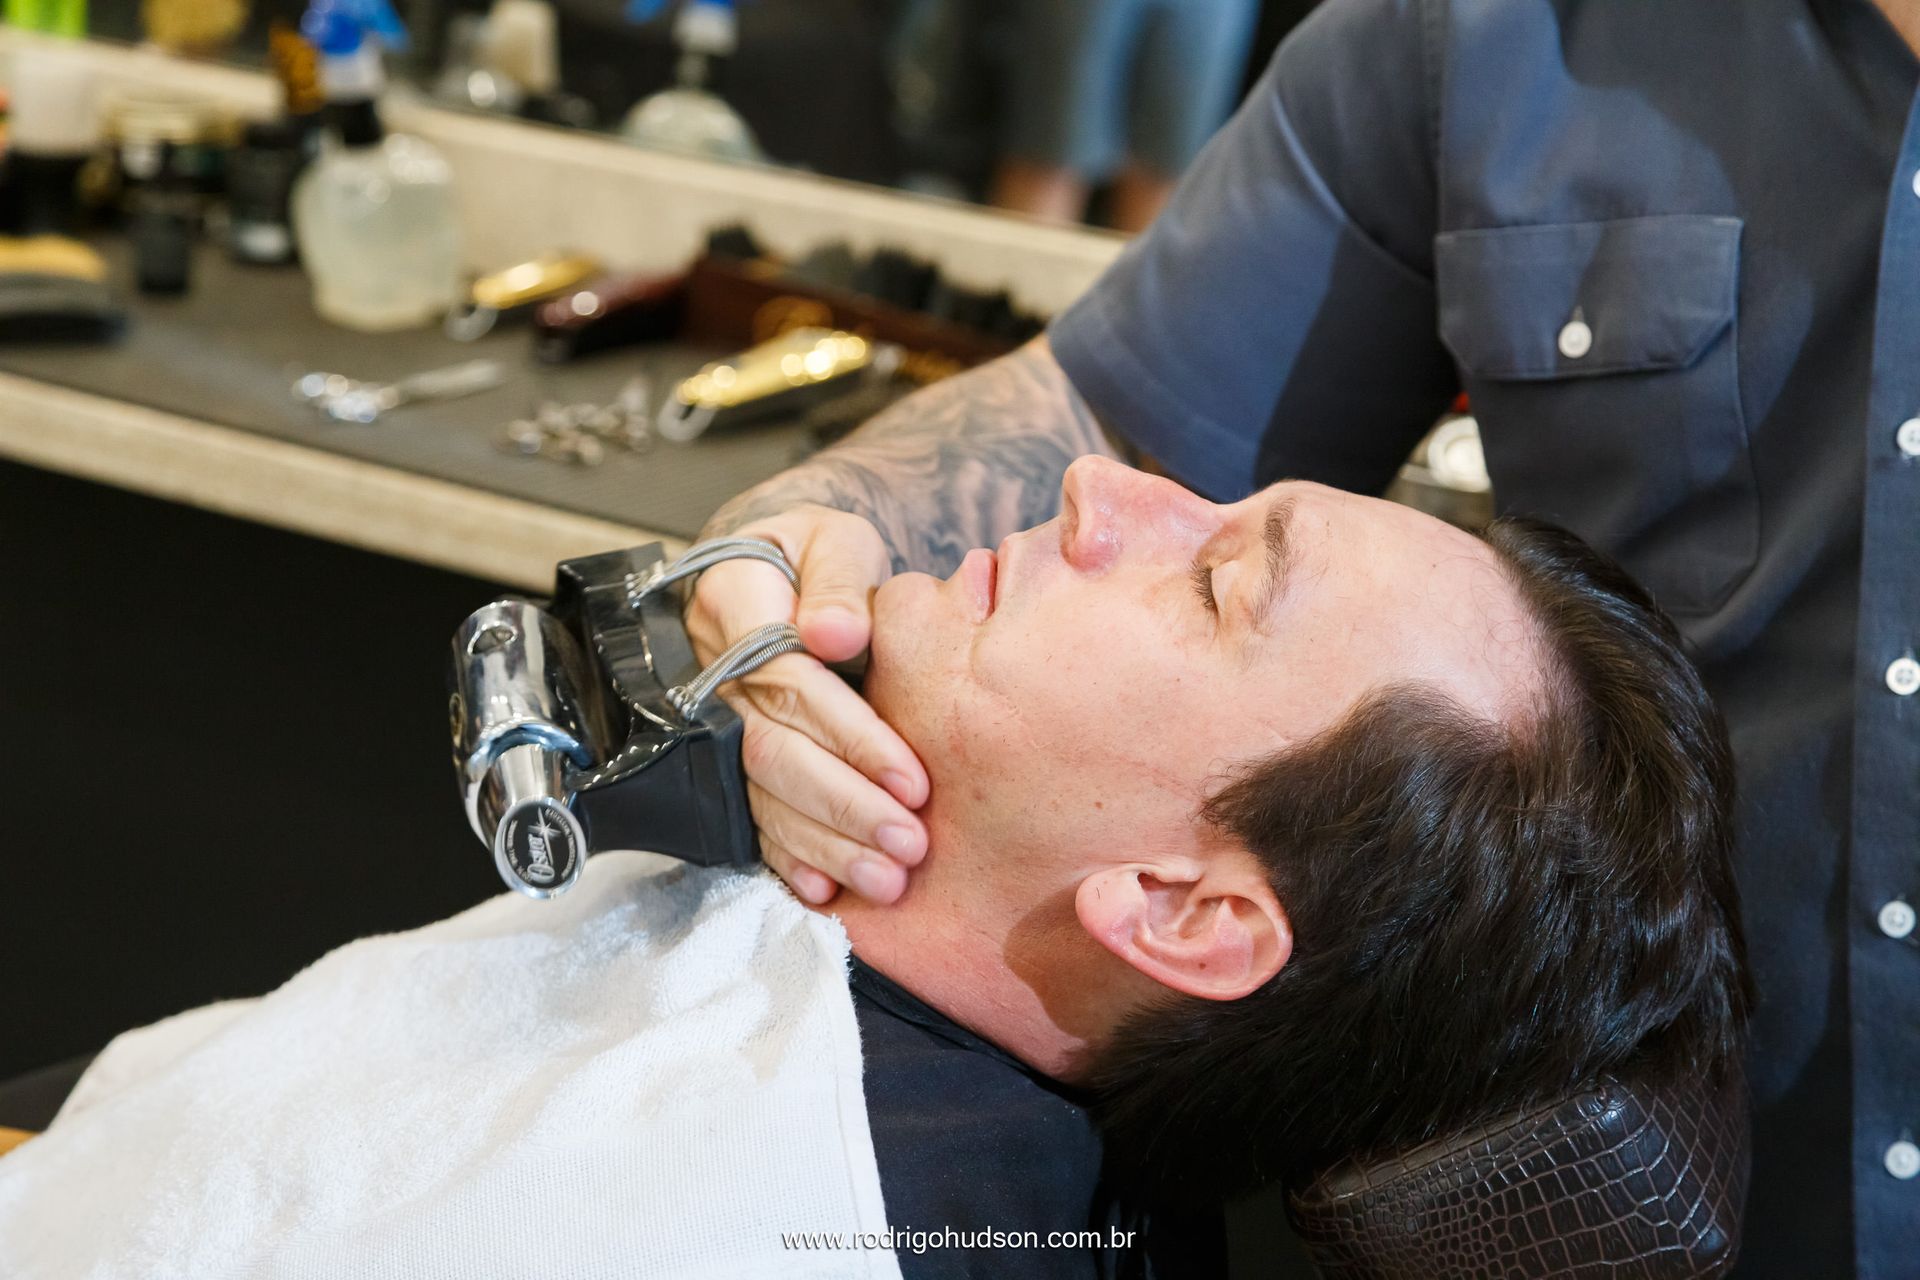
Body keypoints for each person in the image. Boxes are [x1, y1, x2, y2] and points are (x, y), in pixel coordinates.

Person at [684, 4, 1920, 1275]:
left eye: (1219, 583)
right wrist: (798, 533)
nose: (1091, 504)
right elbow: (1115, 415)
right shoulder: (1486, 34)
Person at [0, 466, 1744, 1278]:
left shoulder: (809, 1212)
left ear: (1193, 914)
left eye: (1210, 580)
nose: (1102, 490)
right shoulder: (818, 914)